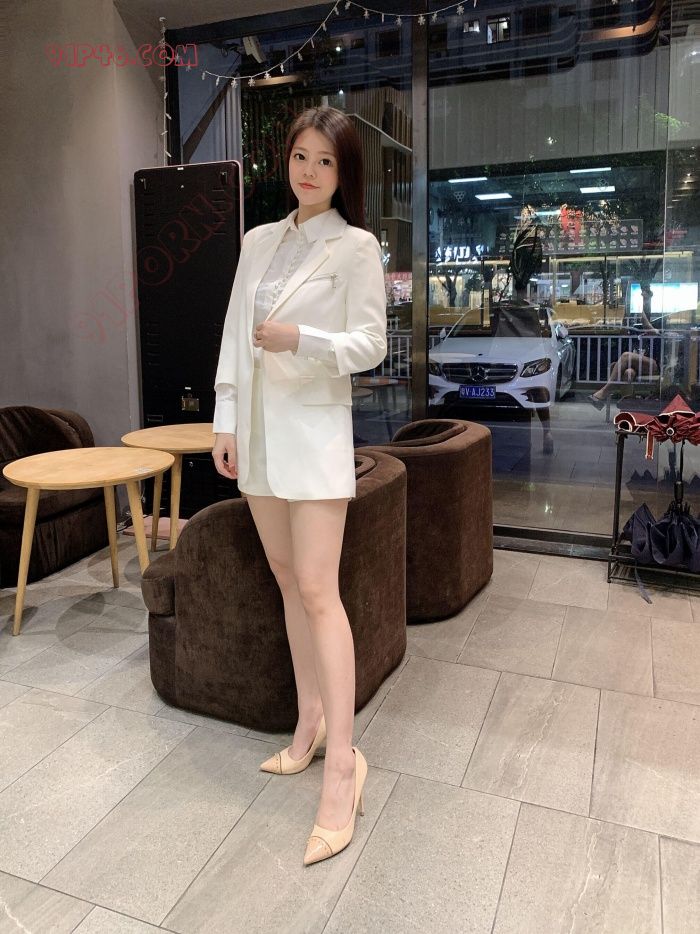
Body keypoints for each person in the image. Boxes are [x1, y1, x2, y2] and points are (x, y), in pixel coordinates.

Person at [211, 106, 387, 867]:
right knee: (286, 579)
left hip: (313, 439)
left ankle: (343, 765)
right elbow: (232, 335)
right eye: (299, 157)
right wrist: (225, 418)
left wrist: (300, 340)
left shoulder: (356, 247)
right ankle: (308, 722)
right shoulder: (258, 240)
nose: (309, 172)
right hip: (257, 437)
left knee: (319, 589)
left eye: (325, 161)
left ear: (344, 173)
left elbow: (372, 344)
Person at [586, 303, 660, 409]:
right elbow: (623, 329)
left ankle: (604, 391)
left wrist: (639, 307)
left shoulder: (655, 332)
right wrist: (625, 312)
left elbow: (647, 325)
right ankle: (628, 406)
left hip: (652, 365)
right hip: (635, 366)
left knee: (626, 356)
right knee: (628, 373)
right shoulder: (634, 332)